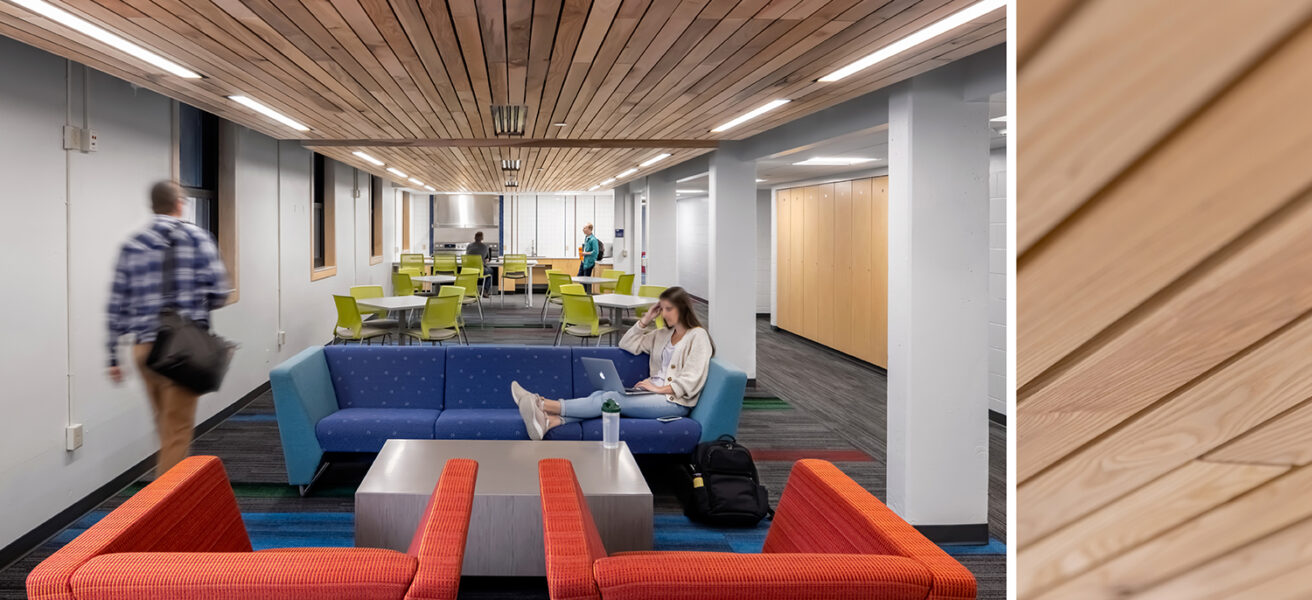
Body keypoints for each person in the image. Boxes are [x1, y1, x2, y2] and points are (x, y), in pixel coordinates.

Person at [107, 181, 231, 476]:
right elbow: (219, 292)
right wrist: (195, 306)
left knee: (164, 426)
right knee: (177, 432)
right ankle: (168, 512)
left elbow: (117, 303)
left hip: (143, 348)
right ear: (179, 203)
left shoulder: (132, 244)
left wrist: (112, 356)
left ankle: (165, 500)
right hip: (181, 348)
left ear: (153, 206)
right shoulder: (198, 238)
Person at [512, 286, 714, 440]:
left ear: (682, 309)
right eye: (661, 309)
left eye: (668, 309)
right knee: (601, 396)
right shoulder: (662, 335)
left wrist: (657, 388)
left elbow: (690, 380)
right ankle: (548, 422)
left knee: (609, 399)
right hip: (652, 393)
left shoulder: (698, 336)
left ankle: (542, 404)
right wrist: (645, 319)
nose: (664, 314)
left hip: (674, 402)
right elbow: (627, 344)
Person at [466, 231, 491, 297]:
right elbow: (485, 260)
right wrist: (486, 261)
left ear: (474, 237)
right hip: (479, 270)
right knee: (490, 271)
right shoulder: (484, 247)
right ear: (482, 238)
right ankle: (484, 291)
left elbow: (467, 256)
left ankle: (470, 290)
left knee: (473, 275)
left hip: (469, 270)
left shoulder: (469, 246)